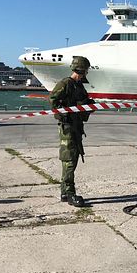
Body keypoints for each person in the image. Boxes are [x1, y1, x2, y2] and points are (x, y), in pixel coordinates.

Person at [49, 56, 95, 207]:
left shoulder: (78, 86)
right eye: (85, 70)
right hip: (68, 126)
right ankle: (69, 193)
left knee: (73, 158)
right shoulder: (66, 83)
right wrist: (64, 113)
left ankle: (65, 192)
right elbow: (53, 100)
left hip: (76, 126)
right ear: (81, 69)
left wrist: (88, 105)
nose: (86, 73)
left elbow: (83, 102)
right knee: (69, 160)